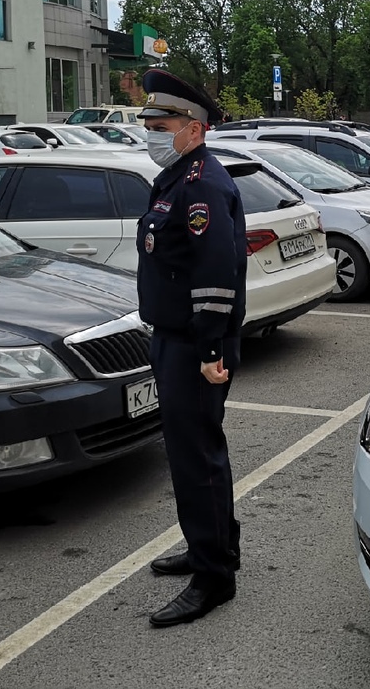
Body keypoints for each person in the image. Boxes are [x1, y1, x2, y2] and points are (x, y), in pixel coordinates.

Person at [135, 68, 247, 627]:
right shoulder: (180, 176)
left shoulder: (201, 184)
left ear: (194, 128)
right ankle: (213, 546)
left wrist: (209, 352)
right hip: (174, 339)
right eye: (150, 123)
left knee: (195, 457)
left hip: (194, 345)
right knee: (196, 453)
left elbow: (214, 275)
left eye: (162, 123)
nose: (152, 132)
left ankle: (213, 578)